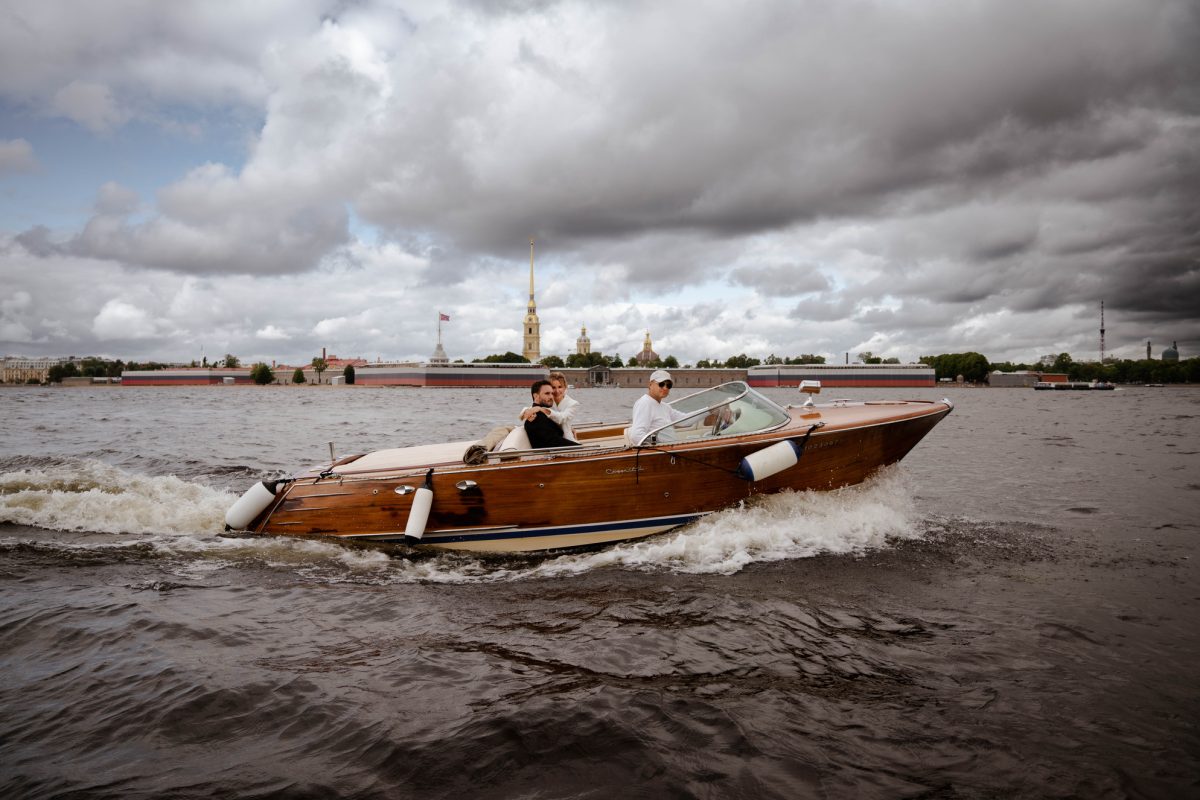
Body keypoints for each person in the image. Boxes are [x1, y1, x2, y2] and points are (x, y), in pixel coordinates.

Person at [628, 370, 689, 445]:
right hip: (665, 451)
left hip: (672, 448)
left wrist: (707, 411)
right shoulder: (645, 403)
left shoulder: (665, 407)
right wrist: (660, 446)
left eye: (668, 385)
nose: (665, 388)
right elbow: (636, 436)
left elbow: (685, 420)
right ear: (650, 384)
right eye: (661, 384)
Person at [520, 371, 580, 440]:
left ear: (565, 387)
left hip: (567, 440)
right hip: (552, 437)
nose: (557, 391)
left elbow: (562, 418)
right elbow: (532, 408)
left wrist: (541, 409)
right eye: (553, 387)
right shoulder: (548, 401)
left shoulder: (573, 404)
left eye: (560, 387)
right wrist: (526, 412)